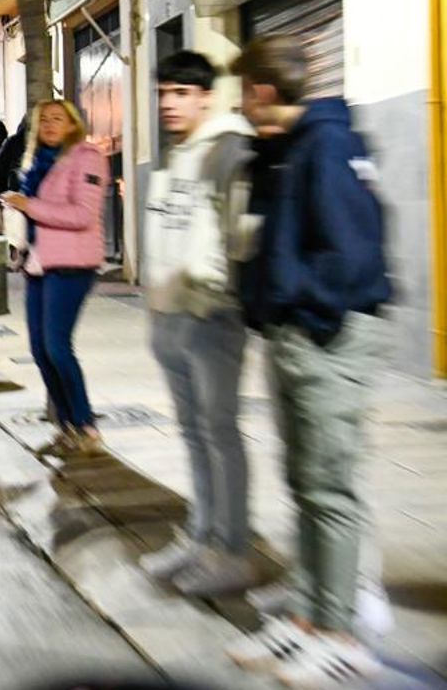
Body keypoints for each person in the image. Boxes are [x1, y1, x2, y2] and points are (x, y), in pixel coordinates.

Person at [224, 36, 391, 686]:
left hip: (329, 338)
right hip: (294, 334)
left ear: (261, 92)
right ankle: (307, 618)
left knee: (330, 489)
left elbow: (353, 256)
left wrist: (297, 306)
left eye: (243, 91)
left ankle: (342, 634)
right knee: (303, 485)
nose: (240, 103)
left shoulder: (328, 145)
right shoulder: (282, 153)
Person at [138, 52, 258, 598]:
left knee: (219, 432)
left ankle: (231, 549)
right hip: (171, 315)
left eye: (182, 94)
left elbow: (242, 235)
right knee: (192, 433)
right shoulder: (177, 153)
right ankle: (202, 533)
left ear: (207, 96)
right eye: (164, 93)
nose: (169, 103)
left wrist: (217, 294)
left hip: (211, 316)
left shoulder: (230, 149)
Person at [0, 100, 108, 457]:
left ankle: (86, 424)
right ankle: (67, 424)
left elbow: (83, 213)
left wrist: (29, 206)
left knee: (57, 346)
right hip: (39, 264)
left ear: (73, 124)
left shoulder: (86, 157)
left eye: (57, 119)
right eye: (43, 119)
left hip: (72, 265)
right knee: (40, 350)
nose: (48, 124)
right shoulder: (38, 164)